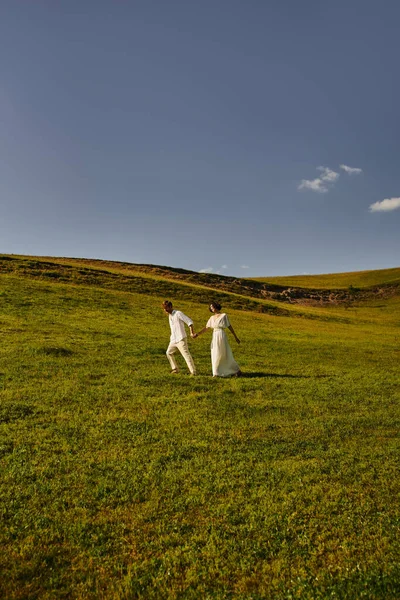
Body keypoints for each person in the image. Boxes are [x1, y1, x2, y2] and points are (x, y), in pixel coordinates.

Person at [193, 301, 242, 377]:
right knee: (215, 353)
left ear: (216, 306)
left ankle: (235, 370)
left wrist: (235, 337)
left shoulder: (224, 315)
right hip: (215, 336)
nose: (212, 309)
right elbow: (206, 328)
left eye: (213, 307)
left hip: (221, 335)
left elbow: (229, 326)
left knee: (224, 353)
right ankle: (216, 372)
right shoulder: (211, 318)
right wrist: (198, 334)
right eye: (211, 308)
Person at [162, 300, 197, 375]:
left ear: (170, 307)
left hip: (181, 338)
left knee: (186, 355)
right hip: (173, 339)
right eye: (164, 308)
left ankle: (193, 372)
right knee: (168, 352)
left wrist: (191, 332)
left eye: (166, 308)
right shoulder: (170, 315)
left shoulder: (178, 313)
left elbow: (189, 322)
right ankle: (175, 369)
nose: (165, 310)